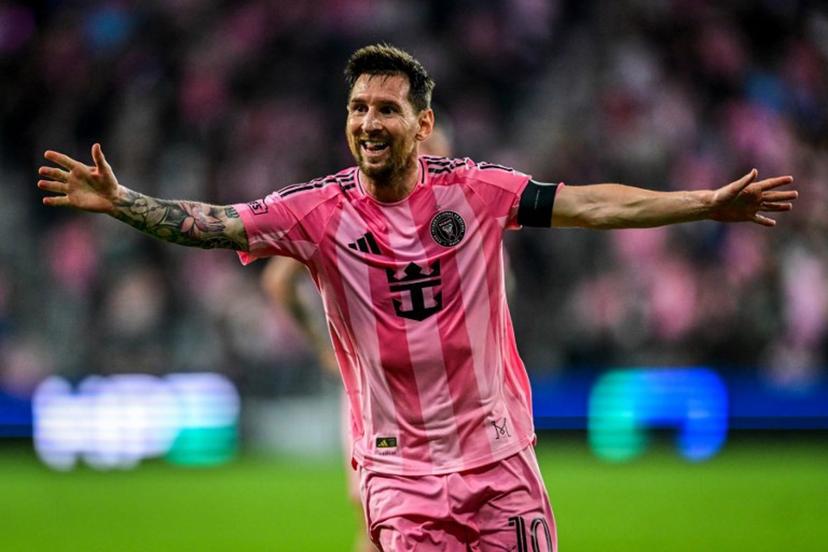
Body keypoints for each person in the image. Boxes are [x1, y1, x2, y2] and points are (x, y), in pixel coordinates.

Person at [37, 44, 796, 551]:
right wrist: (124, 201)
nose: (369, 121)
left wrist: (704, 202)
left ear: (422, 125)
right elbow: (213, 225)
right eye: (358, 108)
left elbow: (592, 205)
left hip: (501, 462)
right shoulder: (317, 211)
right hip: (400, 477)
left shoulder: (476, 191)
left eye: (387, 109)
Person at [260, 127, 453, 552]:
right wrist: (324, 347)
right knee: (377, 516)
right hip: (380, 389)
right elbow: (278, 280)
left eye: (441, 155)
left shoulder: (455, 218)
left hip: (454, 395)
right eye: (430, 154)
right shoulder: (350, 210)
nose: (435, 164)